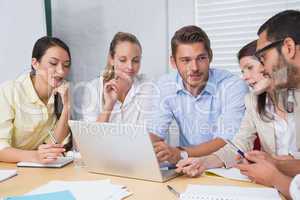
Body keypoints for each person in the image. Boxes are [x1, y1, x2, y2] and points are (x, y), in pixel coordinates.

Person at [176, 39, 300, 177]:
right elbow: (238, 146)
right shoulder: (252, 101)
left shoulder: (296, 95)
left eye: (250, 67)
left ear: (267, 64)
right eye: (243, 71)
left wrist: (280, 163)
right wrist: (203, 162)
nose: (244, 77)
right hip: (275, 183)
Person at [149, 25, 248, 164]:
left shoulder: (233, 86)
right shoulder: (166, 85)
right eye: (185, 60)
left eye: (201, 58)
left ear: (210, 56)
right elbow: (155, 133)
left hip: (224, 166)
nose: (194, 68)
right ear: (173, 62)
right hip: (186, 166)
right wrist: (145, 148)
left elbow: (226, 141)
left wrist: (180, 153)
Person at [235, 9, 300, 199]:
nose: (262, 68)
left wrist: (275, 178)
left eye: (263, 58)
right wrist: (275, 163)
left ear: (288, 47)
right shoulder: (254, 101)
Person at [0, 36, 71, 163]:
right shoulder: (10, 91)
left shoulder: (59, 95)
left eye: (66, 65)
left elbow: (53, 146)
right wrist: (35, 156)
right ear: (35, 63)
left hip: (33, 170)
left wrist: (66, 107)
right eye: (53, 63)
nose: (61, 71)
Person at [74, 32, 153, 124]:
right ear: (111, 59)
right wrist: (109, 105)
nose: (130, 67)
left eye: (136, 61)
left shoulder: (147, 87)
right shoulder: (93, 89)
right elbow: (91, 136)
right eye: (123, 60)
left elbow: (146, 133)